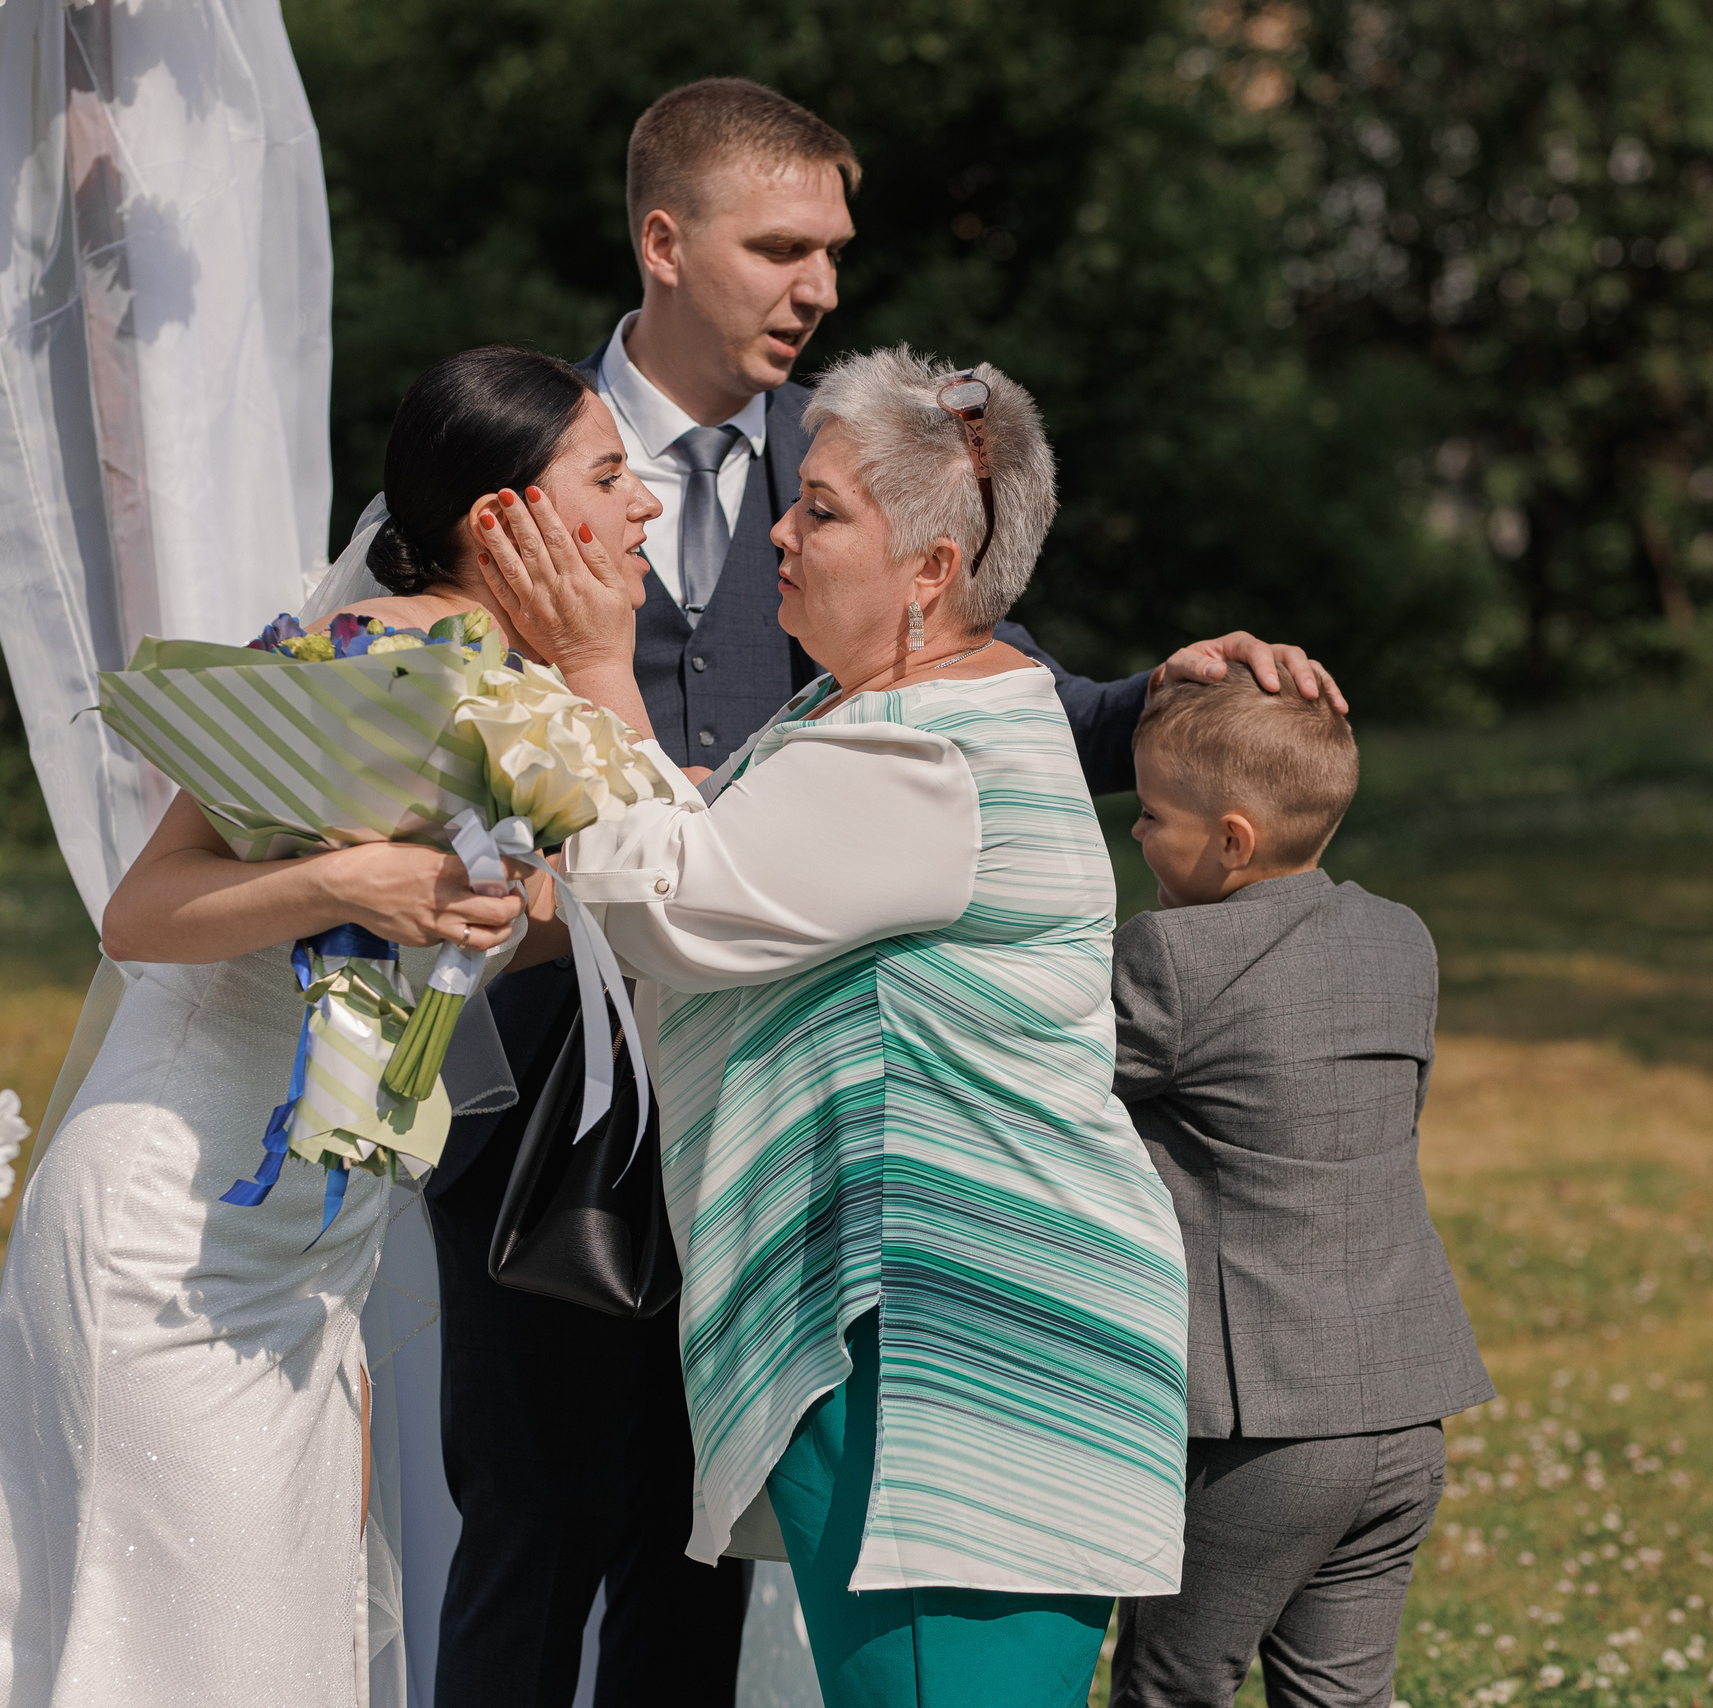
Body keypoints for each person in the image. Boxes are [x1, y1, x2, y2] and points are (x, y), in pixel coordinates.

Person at [424, 76, 1341, 1708]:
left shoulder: (883, 496)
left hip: (853, 1195)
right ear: (663, 238)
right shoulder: (508, 439)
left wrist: (1162, 705)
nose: (821, 285)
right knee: (534, 1526)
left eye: (834, 249)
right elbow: (384, 691)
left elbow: (941, 737)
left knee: (688, 1565)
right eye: (782, 244)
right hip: (566, 1084)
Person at [0, 347, 649, 1708]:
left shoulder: (540, 708)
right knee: (164, 1651)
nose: (645, 508)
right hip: (169, 1226)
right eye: (609, 479)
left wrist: (516, 898)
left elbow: (652, 883)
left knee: (268, 1651)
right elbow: (140, 916)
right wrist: (343, 881)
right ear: (505, 520)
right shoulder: (329, 669)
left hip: (313, 1256)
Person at [480, 345, 1191, 1708]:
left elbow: (676, 904)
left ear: (931, 570)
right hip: (919, 1325)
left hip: (951, 1348)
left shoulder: (929, 756)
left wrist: (590, 667)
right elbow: (690, 875)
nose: (780, 534)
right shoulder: (868, 716)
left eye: (822, 510)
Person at [1103, 665, 1492, 1708]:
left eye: (1150, 814)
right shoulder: (1399, 937)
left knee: (1170, 1683)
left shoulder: (1168, 960)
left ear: (1231, 839)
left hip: (1258, 1427)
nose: (1135, 834)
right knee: (1342, 1696)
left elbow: (1034, 1065)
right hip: (1401, 1410)